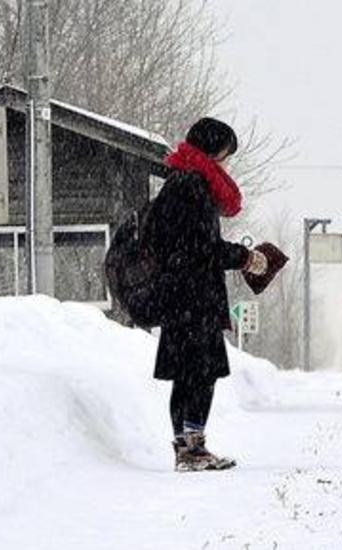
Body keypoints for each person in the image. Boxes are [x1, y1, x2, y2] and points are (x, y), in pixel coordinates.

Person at [147, 117, 268, 472]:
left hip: (177, 297)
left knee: (187, 375)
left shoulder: (177, 183)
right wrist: (246, 257)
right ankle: (193, 450)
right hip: (194, 298)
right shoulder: (194, 186)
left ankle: (186, 449)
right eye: (225, 155)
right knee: (200, 374)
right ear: (213, 151)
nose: (226, 164)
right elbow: (203, 248)